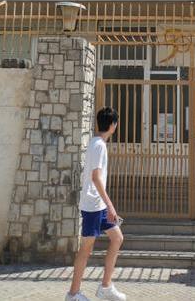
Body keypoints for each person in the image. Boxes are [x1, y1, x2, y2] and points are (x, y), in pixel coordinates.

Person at [66, 107, 126, 301]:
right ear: (113, 125)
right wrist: (110, 205)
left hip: (98, 205)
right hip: (93, 206)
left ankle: (106, 287)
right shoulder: (99, 145)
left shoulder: (96, 143)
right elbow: (96, 177)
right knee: (86, 249)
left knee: (117, 238)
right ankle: (73, 294)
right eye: (116, 123)